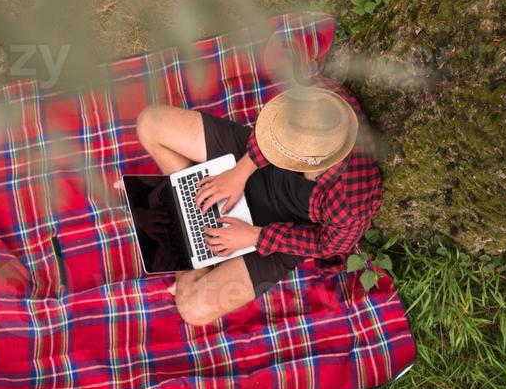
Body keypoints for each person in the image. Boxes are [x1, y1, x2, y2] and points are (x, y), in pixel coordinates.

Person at [135, 81, 383, 326]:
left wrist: (255, 236)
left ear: (313, 163)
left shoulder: (353, 198)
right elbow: (269, 133)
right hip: (255, 169)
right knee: (150, 123)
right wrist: (239, 173)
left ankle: (191, 251)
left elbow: (326, 244)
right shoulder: (325, 97)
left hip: (286, 227)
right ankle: (185, 209)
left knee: (193, 310)